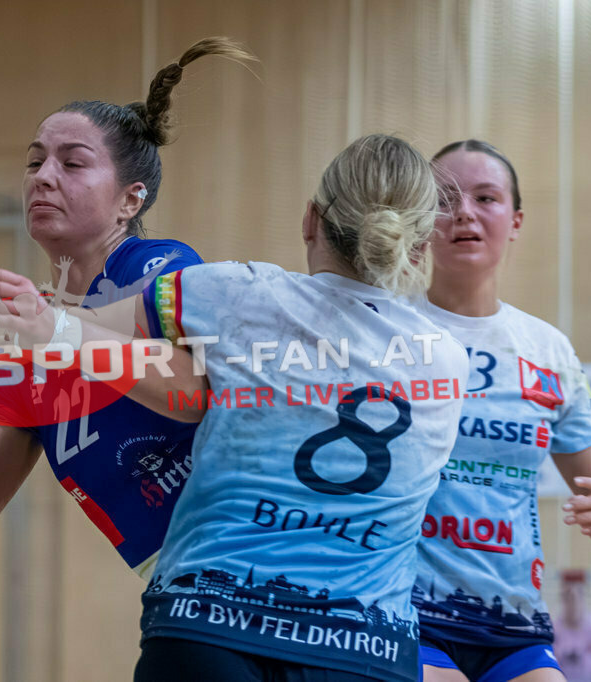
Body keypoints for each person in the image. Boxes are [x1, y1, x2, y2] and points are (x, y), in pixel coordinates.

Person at [0, 37, 255, 579]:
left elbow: (192, 393)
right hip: (178, 586)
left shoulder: (160, 266)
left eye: (73, 163)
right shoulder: (17, 357)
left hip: (266, 552)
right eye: (35, 161)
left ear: (130, 200)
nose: (41, 175)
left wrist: (53, 327)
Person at [122, 134, 470, 682]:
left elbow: (93, 332)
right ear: (420, 246)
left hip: (206, 630)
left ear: (310, 219)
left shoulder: (236, 292)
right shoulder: (449, 360)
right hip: (365, 652)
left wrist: (42, 321)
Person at [410, 140, 591, 682]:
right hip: (404, 613)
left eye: (485, 197)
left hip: (513, 624)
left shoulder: (548, 350)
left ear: (515, 220)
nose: (464, 212)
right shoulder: (387, 330)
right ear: (420, 221)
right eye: (445, 199)